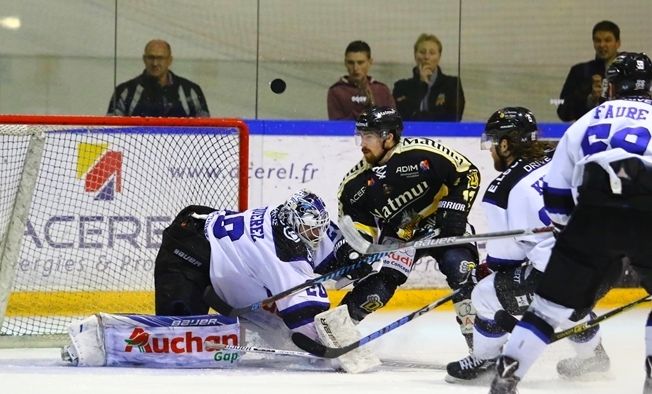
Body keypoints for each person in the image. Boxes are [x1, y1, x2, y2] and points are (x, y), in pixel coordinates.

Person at [486, 52, 652, 394]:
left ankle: (504, 382)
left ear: (609, 87)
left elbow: (557, 195)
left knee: (546, 309)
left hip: (593, 215)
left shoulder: (583, 123)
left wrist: (571, 243)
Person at [445, 107, 613, 383]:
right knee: (569, 301)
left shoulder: (503, 190)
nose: (490, 150)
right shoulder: (564, 155)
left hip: (563, 274)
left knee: (485, 294)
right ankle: (593, 358)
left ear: (505, 144)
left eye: (491, 143)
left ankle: (486, 360)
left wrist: (479, 274)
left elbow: (503, 264)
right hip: (608, 264)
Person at [153, 189, 380, 372]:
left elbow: (329, 244)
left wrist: (352, 260)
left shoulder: (287, 216)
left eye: (316, 230)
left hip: (221, 254)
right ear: (293, 221)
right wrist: (329, 349)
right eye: (310, 231)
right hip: (187, 254)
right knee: (175, 343)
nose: (316, 236)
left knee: (280, 331)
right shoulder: (285, 249)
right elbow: (303, 317)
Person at [336, 106, 480, 351]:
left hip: (443, 225)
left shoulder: (421, 154)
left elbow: (468, 173)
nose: (362, 143)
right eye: (361, 136)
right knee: (378, 288)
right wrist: (356, 247)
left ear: (388, 137)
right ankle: (335, 330)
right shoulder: (355, 184)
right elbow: (357, 223)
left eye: (368, 136)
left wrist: (456, 209)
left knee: (461, 271)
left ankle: (482, 345)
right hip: (402, 234)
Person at [107, 39, 210, 117]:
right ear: (144, 59)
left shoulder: (191, 91)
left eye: (160, 58)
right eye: (151, 58)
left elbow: (206, 130)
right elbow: (112, 131)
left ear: (170, 60)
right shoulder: (125, 92)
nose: (155, 63)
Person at [556, 21, 621, 123]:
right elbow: (563, 112)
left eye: (607, 40)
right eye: (597, 40)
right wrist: (591, 99)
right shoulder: (580, 72)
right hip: (589, 133)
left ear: (618, 43)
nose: (602, 45)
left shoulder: (630, 72)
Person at [392, 34, 464, 122]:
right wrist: (422, 85)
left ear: (439, 56)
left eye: (432, 53)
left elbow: (454, 117)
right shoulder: (401, 86)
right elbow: (401, 116)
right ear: (415, 55)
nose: (426, 57)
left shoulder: (452, 84)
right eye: (422, 52)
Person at [327, 40, 395, 120]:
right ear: (345, 63)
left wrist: (374, 105)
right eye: (351, 63)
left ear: (370, 62)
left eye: (360, 63)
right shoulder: (337, 91)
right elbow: (337, 126)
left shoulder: (382, 90)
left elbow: (392, 122)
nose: (355, 68)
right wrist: (363, 108)